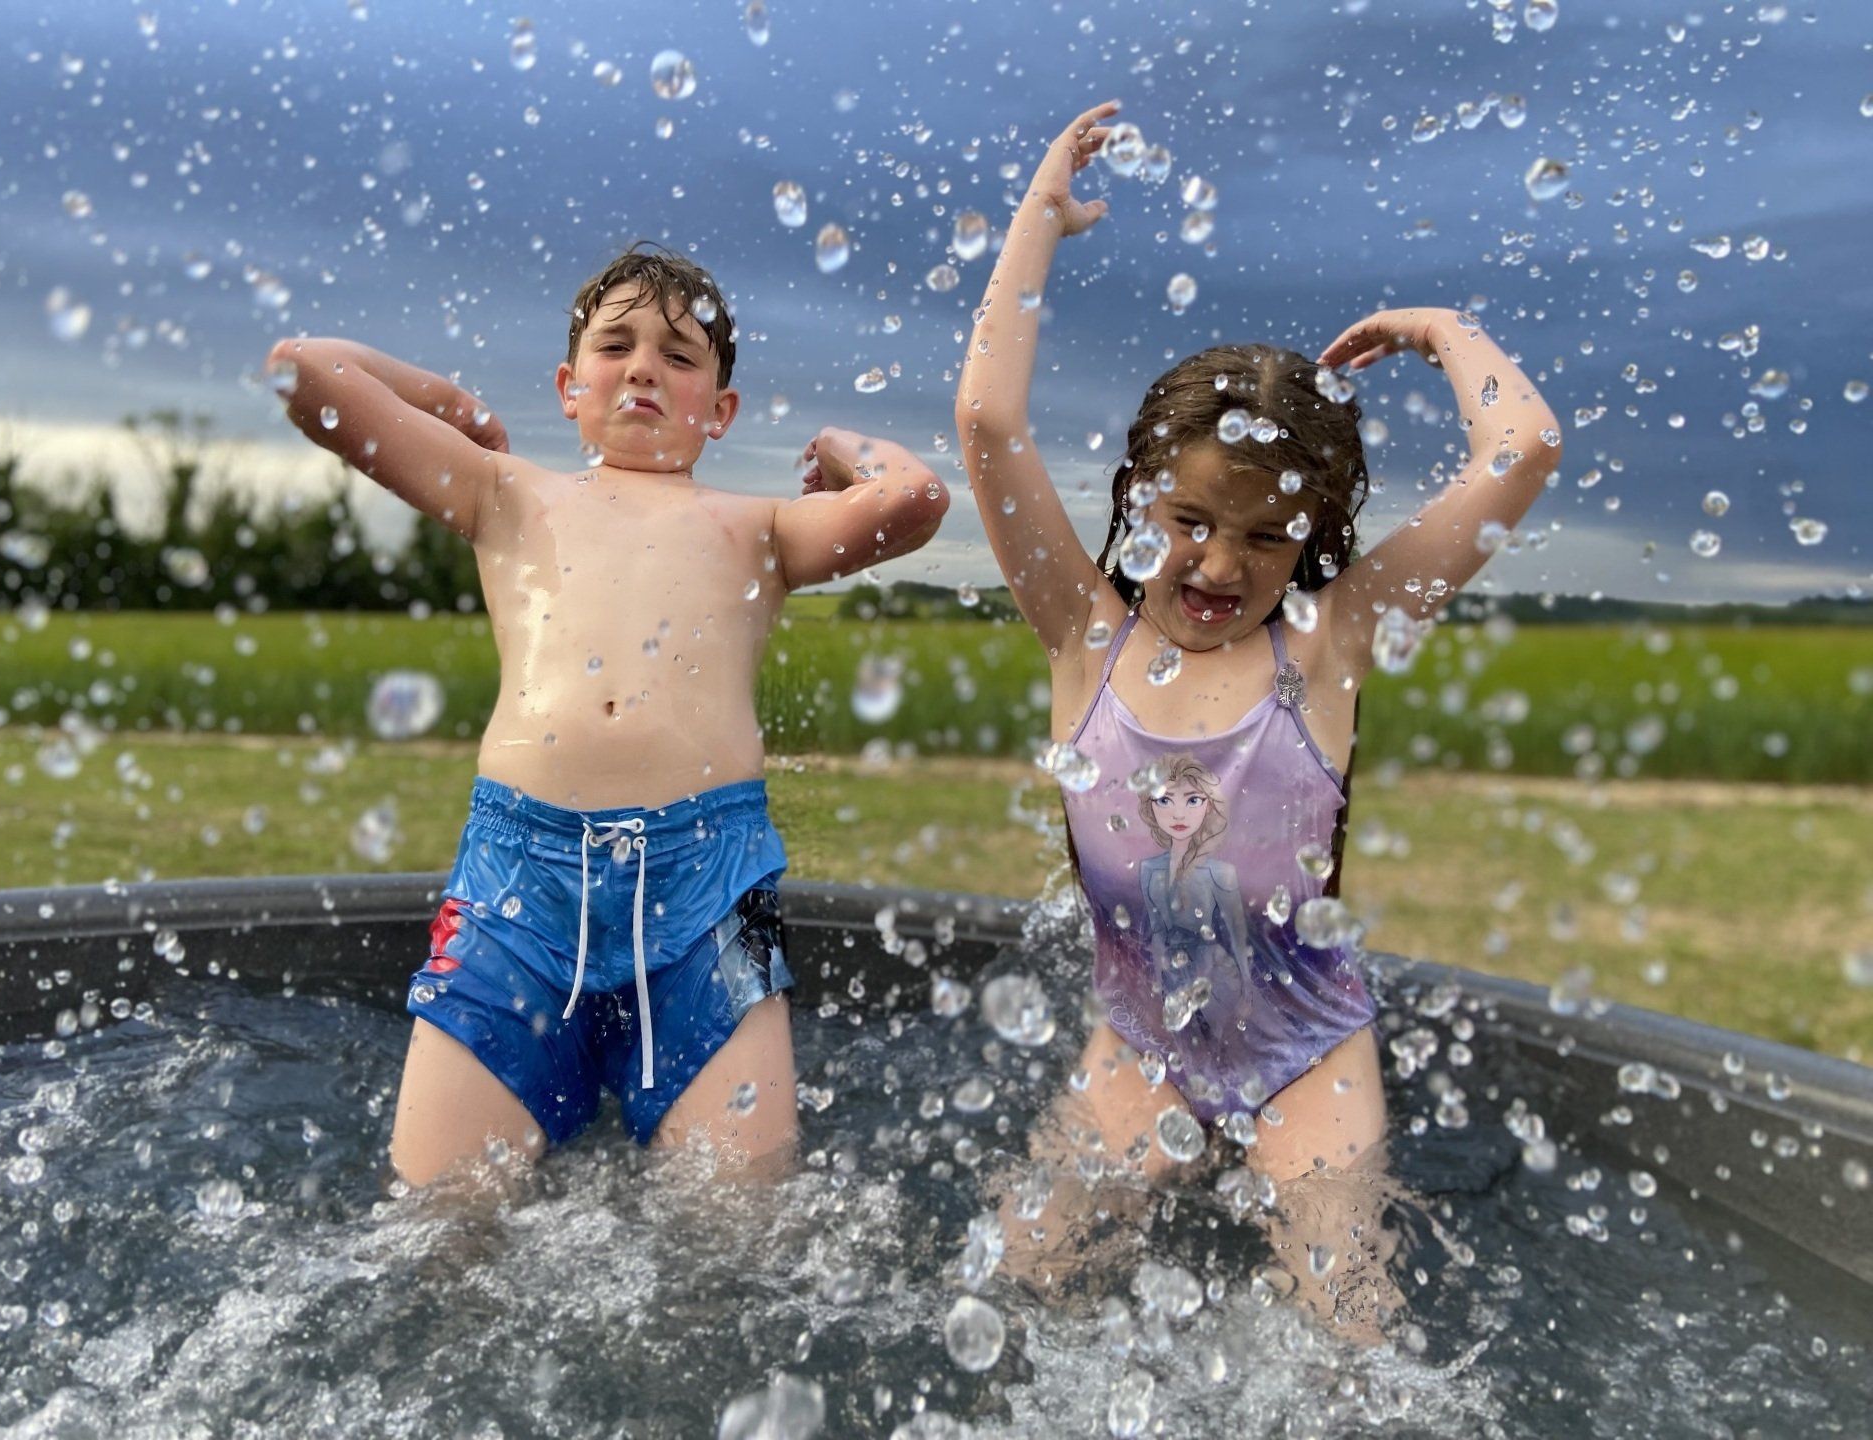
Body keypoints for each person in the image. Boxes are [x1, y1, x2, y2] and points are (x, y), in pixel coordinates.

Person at [954, 102, 1560, 1334]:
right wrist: (1040, 220)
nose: (1222, 564)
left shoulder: (1331, 644)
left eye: (1267, 535)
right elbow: (986, 422)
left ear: (1312, 537)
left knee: (1347, 1331)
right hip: (1142, 1044)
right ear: (1137, 499)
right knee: (1021, 1289)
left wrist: (1443, 331)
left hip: (1306, 1054)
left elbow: (1526, 447)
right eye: (1189, 522)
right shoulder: (1083, 636)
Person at [267, 244, 949, 1186]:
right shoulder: (503, 491)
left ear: (721, 411)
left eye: (679, 355)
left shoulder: (760, 527)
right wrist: (449, 404)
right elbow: (303, 372)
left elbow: (915, 498)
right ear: (569, 387)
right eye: (616, 346)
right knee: (440, 1216)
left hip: (709, 883)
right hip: (519, 880)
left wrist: (842, 449)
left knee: (739, 1227)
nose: (643, 369)